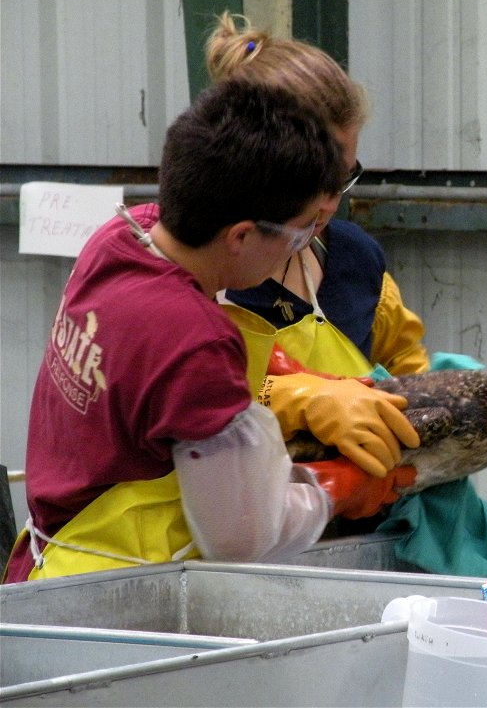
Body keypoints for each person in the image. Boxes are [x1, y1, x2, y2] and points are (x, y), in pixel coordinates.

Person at [3, 78, 419, 584]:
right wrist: (333, 489)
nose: (302, 247)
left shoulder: (121, 237)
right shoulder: (197, 339)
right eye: (298, 233)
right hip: (117, 595)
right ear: (241, 236)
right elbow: (240, 537)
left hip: (48, 562)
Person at [205, 13, 431, 381]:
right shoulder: (205, 281)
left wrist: (434, 389)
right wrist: (288, 402)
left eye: (342, 178)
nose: (330, 204)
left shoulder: (357, 260)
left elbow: (404, 363)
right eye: (314, 180)